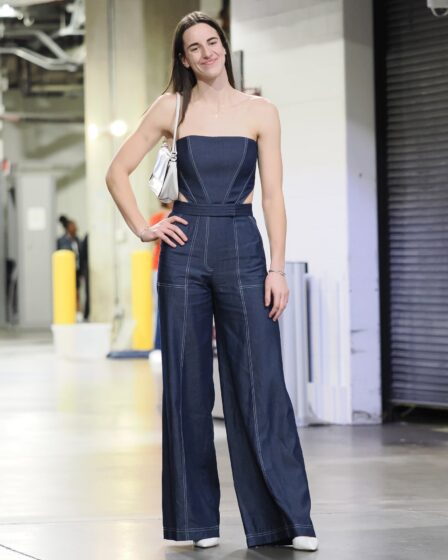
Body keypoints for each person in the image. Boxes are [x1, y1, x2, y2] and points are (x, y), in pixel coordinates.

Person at [105, 11, 318, 551]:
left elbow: (272, 197)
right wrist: (144, 227)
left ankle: (288, 521)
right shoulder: (170, 109)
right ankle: (194, 524)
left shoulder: (261, 111)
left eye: (213, 42)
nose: (206, 52)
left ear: (224, 46)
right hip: (184, 250)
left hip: (244, 249)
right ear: (183, 58)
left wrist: (277, 268)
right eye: (194, 47)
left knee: (261, 382)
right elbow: (117, 171)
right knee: (186, 386)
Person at [149, 201, 173, 351]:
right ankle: (158, 346)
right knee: (161, 307)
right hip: (159, 266)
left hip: (177, 266)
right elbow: (154, 238)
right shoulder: (157, 217)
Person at [57, 215, 83, 320]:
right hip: (66, 271)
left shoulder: (78, 240)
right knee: (67, 292)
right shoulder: (61, 240)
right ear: (68, 228)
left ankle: (78, 312)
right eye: (73, 226)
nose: (75, 228)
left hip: (76, 270)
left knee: (77, 291)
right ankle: (67, 312)